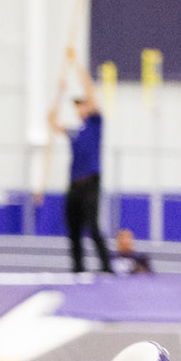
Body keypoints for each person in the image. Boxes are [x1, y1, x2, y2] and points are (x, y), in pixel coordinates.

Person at [51, 60, 111, 274]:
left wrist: (77, 67)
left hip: (90, 183)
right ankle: (77, 269)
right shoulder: (76, 132)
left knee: (92, 227)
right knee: (73, 228)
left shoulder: (95, 124)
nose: (79, 108)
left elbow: (91, 93)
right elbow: (51, 122)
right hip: (74, 185)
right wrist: (58, 93)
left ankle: (106, 266)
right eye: (76, 105)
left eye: (81, 104)